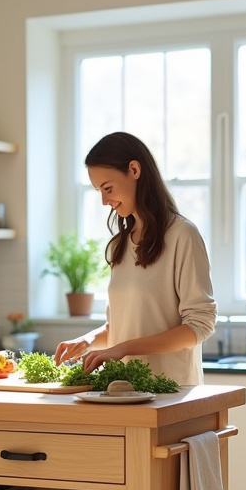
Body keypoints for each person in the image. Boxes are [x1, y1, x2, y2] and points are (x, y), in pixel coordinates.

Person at [54, 131, 217, 386]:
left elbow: (199, 326)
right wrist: (87, 342)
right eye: (99, 191)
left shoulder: (183, 236)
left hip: (170, 393)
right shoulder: (119, 245)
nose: (104, 201)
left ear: (134, 170)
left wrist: (125, 347)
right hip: (123, 392)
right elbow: (118, 329)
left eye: (108, 188)